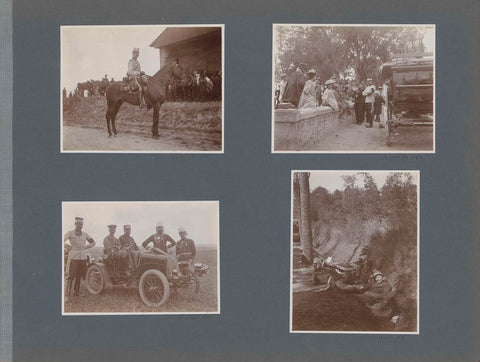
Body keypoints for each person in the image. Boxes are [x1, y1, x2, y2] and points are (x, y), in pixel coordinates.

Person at [64, 217, 96, 300]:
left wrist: (86, 246)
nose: (79, 226)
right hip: (73, 257)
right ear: (75, 224)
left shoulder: (85, 234)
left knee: (79, 276)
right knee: (70, 276)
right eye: (78, 224)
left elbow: (93, 242)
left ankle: (76, 292)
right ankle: (66, 295)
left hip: (83, 258)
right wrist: (67, 247)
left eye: (81, 224)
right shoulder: (70, 233)